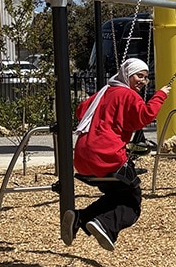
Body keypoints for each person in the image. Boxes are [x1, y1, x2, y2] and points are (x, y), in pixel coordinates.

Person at [66, 58, 168, 251]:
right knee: (132, 201)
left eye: (146, 78)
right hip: (106, 156)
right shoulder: (127, 95)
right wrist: (160, 95)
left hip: (82, 158)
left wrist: (107, 115)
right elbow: (145, 116)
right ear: (127, 75)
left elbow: (81, 111)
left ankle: (81, 218)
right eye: (139, 76)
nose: (143, 81)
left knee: (117, 194)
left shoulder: (103, 92)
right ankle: (106, 225)